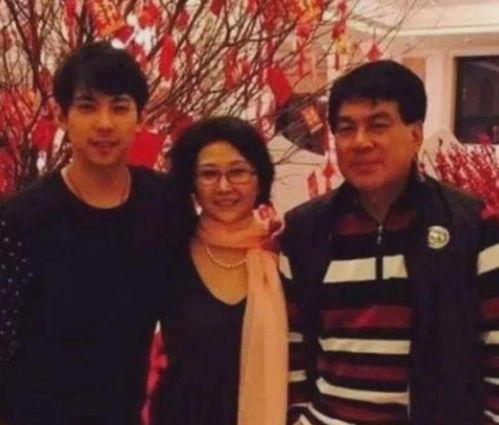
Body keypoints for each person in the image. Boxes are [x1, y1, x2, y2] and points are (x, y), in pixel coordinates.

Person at [280, 60, 499, 425]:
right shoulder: (305, 231)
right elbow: (292, 349)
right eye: (346, 129)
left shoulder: (472, 226)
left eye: (378, 125)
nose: (360, 142)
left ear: (415, 134)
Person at [0, 41, 190, 425]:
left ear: (140, 117)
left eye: (119, 107)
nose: (104, 123)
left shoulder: (166, 204)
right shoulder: (22, 219)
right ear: (61, 116)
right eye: (87, 106)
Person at [151, 116, 288, 425]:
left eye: (237, 172)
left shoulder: (283, 252)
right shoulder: (169, 254)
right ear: (192, 183)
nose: (224, 187)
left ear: (260, 178)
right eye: (209, 174)